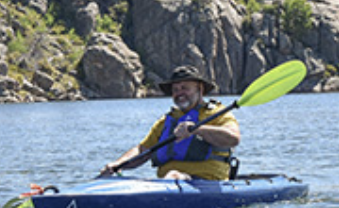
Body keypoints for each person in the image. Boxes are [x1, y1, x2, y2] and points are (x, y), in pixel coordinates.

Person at [101, 65, 241, 181]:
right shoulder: (167, 120)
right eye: (175, 90)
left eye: (185, 88)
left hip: (206, 182)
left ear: (200, 89)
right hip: (168, 182)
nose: (180, 93)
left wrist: (197, 129)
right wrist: (118, 164)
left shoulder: (217, 113)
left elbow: (233, 137)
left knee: (173, 175)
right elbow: (142, 150)